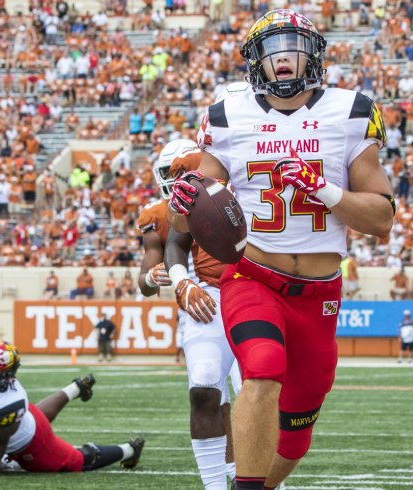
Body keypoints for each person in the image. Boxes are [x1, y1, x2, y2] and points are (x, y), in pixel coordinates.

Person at [169, 9, 394, 489]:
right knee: (262, 370)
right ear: (256, 62)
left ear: (313, 54)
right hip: (253, 277)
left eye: (292, 46)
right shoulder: (226, 117)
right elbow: (185, 217)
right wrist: (183, 201)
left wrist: (324, 190)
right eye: (271, 50)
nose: (282, 58)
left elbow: (382, 219)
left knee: (295, 438)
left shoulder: (351, 110)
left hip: (319, 292)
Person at [144, 138, 240, 489]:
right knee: (206, 387)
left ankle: (257, 476)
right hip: (204, 295)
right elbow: (172, 248)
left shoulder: (256, 164)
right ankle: (219, 481)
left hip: (256, 288)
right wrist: (174, 280)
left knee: (254, 393)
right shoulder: (174, 199)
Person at [0, 341, 144, 475]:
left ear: (8, 377)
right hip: (18, 420)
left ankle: (129, 449)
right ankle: (76, 388)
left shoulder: (8, 405)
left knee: (73, 461)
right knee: (36, 412)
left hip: (29, 442)